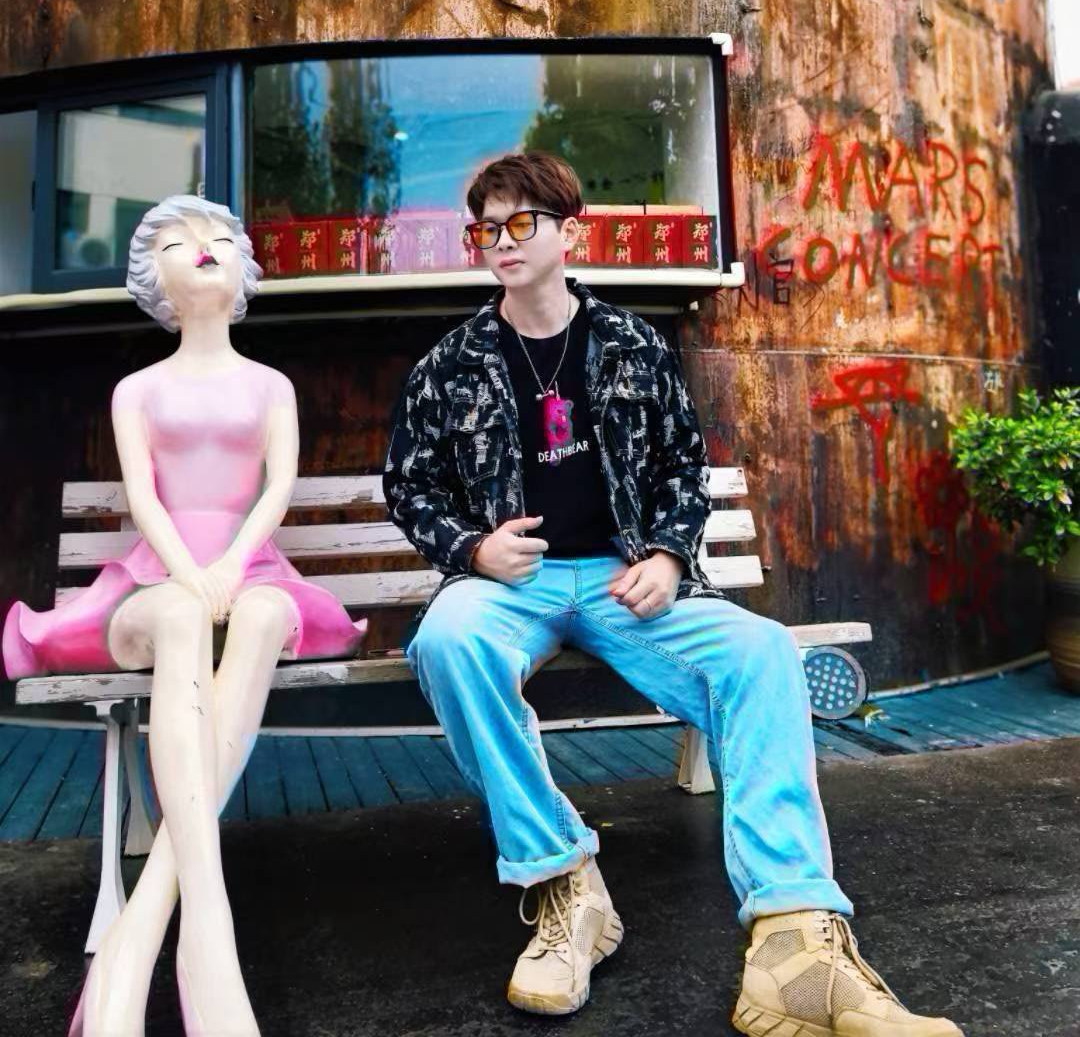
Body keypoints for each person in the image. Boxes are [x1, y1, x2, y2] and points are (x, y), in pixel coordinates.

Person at [384, 152, 962, 1036]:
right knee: (446, 641)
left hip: (624, 581)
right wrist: (471, 548)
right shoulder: (450, 363)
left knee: (761, 650)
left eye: (520, 223)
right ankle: (566, 884)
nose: (501, 241)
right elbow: (410, 484)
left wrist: (665, 553)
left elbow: (683, 467)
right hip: (513, 584)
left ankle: (794, 943)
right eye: (487, 228)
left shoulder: (631, 344)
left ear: (569, 234)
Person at [3, 195, 366, 1037]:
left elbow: (278, 487)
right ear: (152, 282)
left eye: (219, 239)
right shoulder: (138, 390)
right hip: (156, 576)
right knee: (177, 618)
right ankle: (210, 938)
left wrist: (233, 564)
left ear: (244, 273)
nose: (203, 248)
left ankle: (133, 945)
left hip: (251, 569)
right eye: (178, 241)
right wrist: (188, 573)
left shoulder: (270, 385)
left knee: (265, 615)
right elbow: (142, 495)